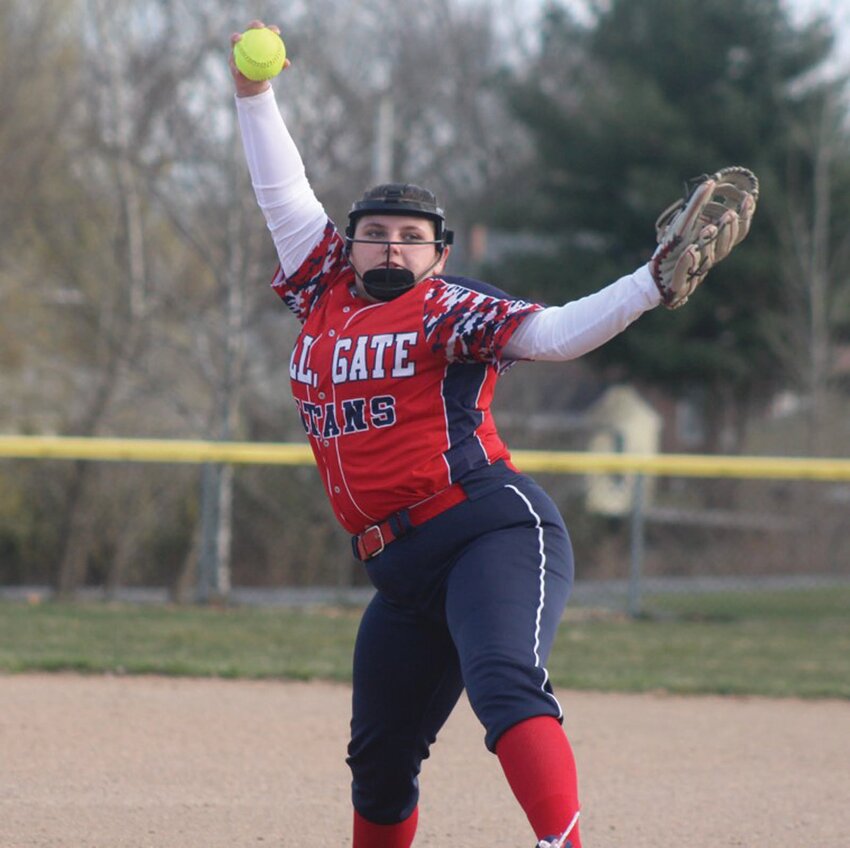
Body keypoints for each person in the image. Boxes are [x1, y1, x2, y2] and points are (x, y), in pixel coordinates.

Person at [228, 21, 755, 848]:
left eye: (412, 237)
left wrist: (648, 285)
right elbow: (282, 193)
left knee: (505, 684)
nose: (391, 245)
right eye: (376, 232)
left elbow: (553, 333)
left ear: (440, 256)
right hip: (398, 570)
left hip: (489, 530)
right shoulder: (324, 289)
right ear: (350, 244)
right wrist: (255, 96)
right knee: (380, 760)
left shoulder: (446, 307)